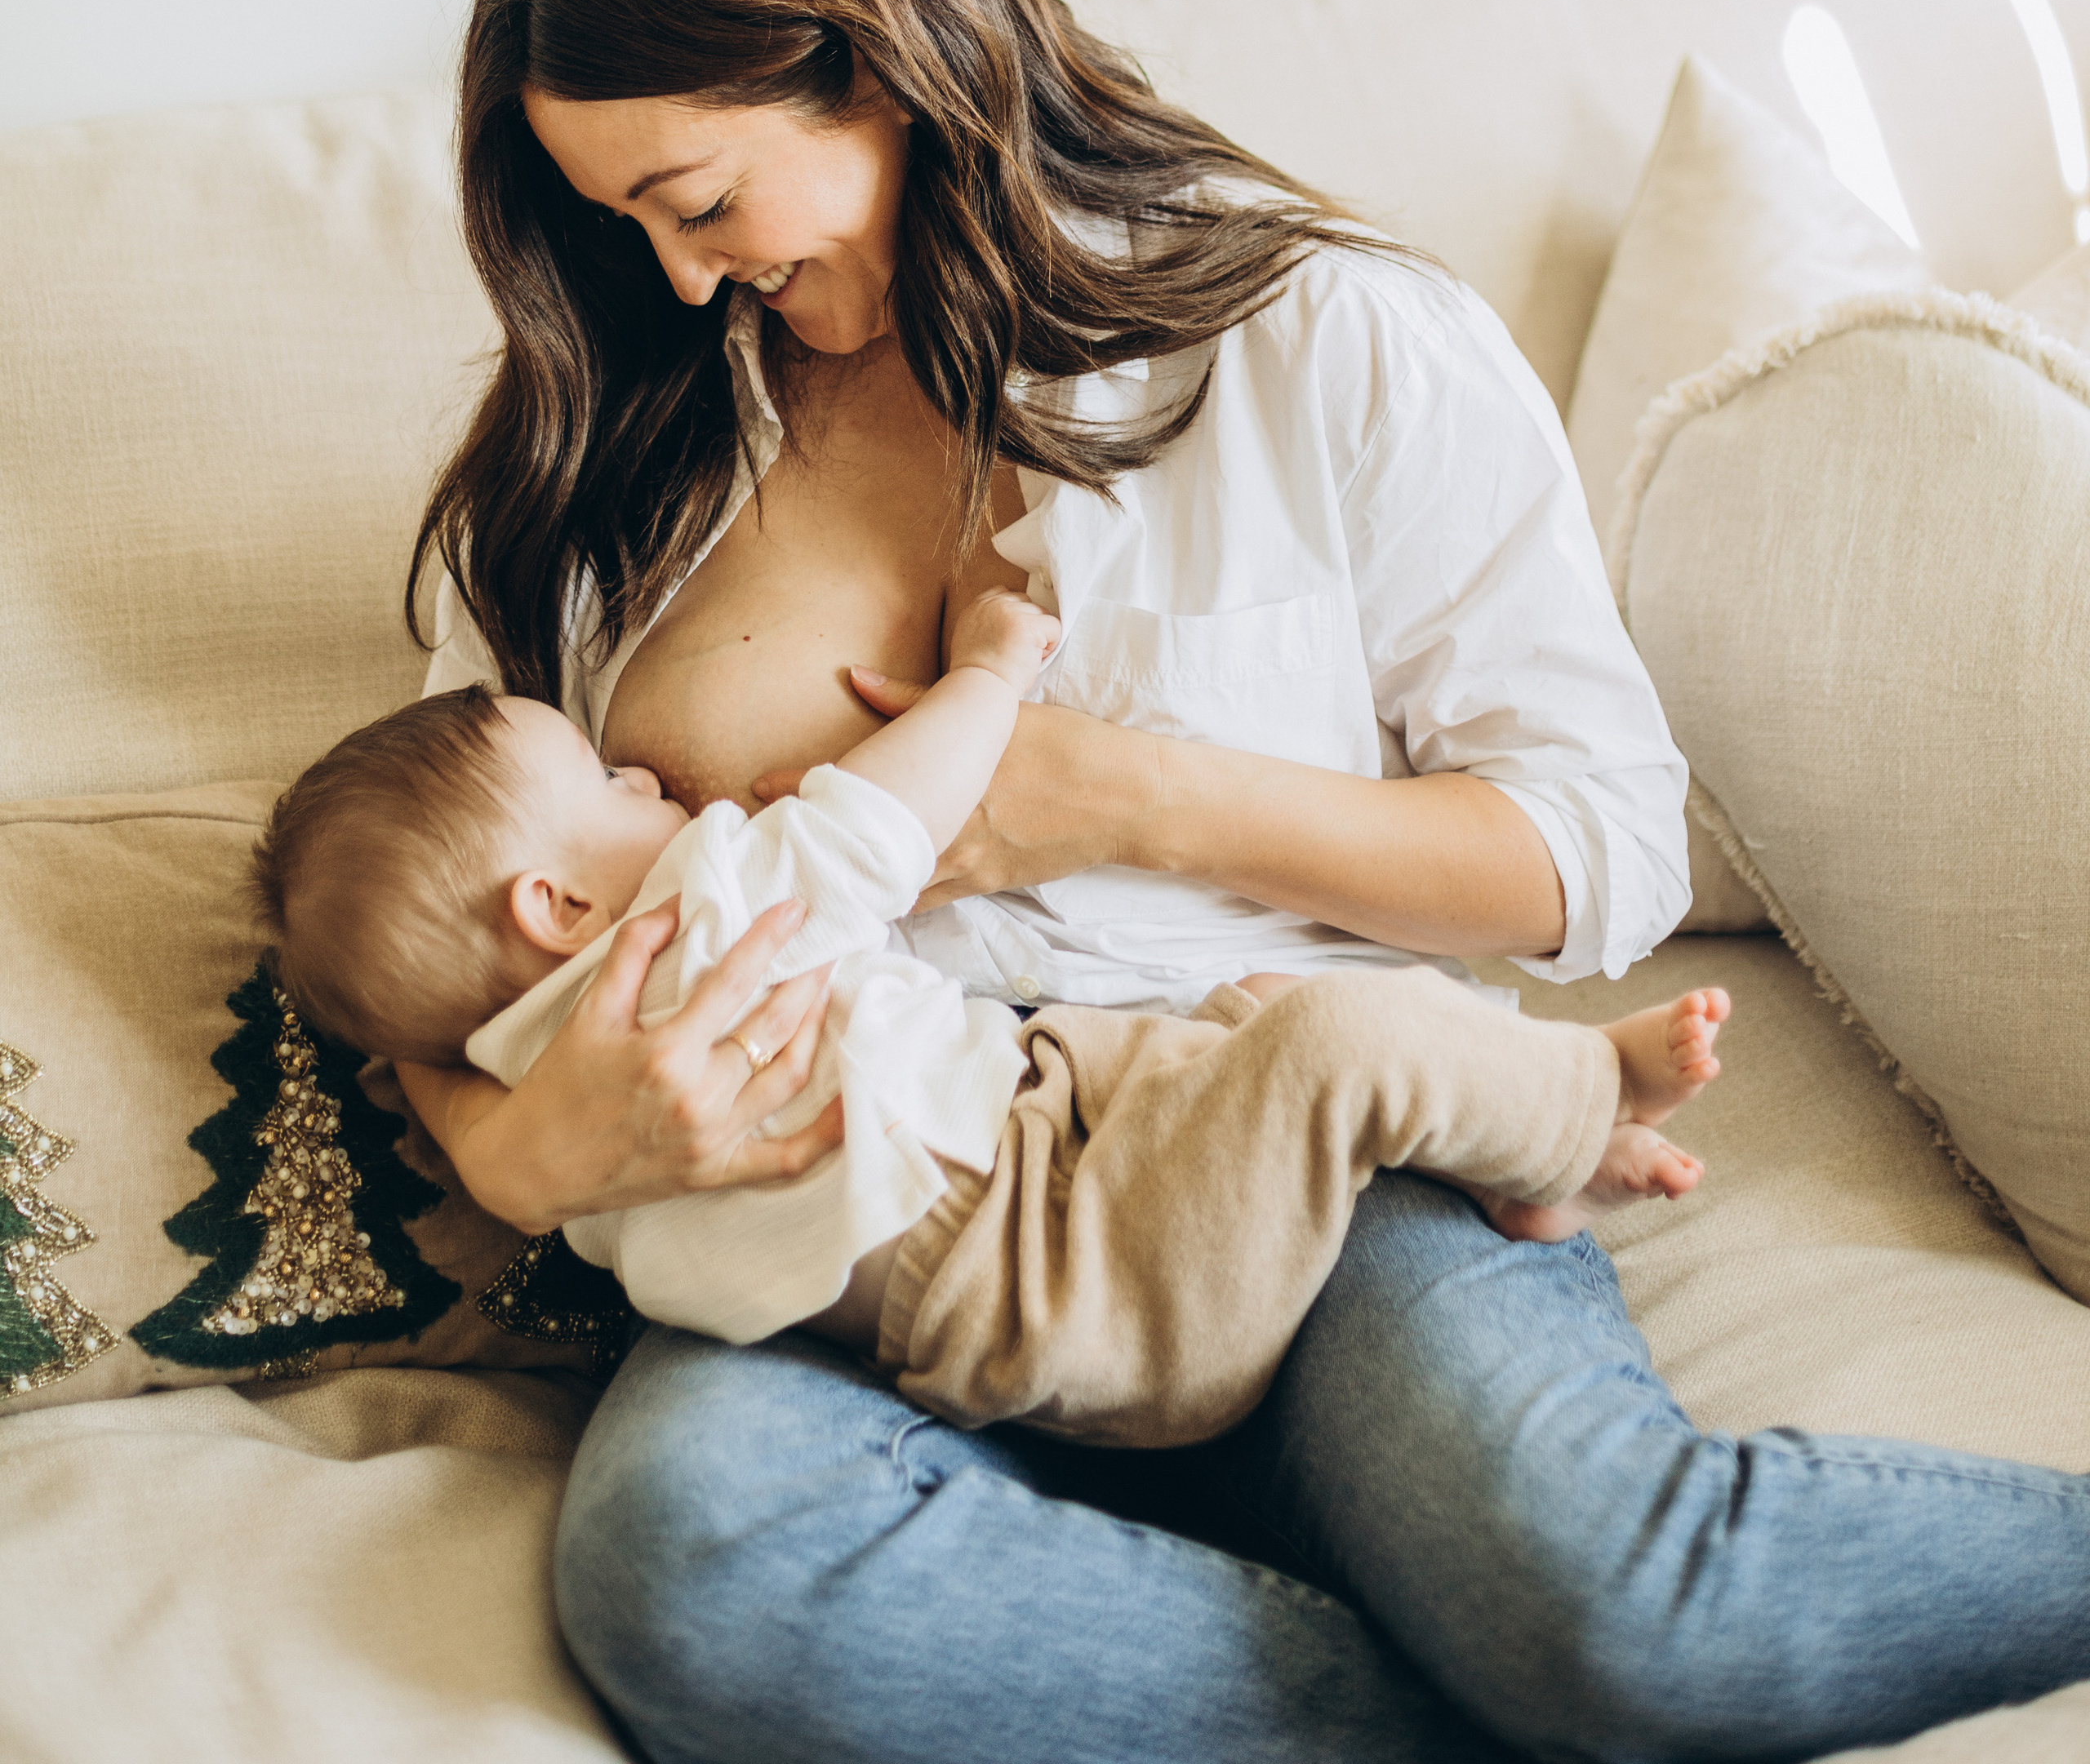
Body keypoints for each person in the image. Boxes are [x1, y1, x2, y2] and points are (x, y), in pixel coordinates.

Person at [397, 0, 2090, 1764]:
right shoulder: (597, 469)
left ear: (877, 62)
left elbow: (1597, 850)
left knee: (1621, 1611)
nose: (675, 277)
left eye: (697, 202)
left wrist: (1116, 798)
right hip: (850, 1221)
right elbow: (428, 919)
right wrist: (513, 1149)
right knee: (693, 1570)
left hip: (1304, 1121)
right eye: (621, 227)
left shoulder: (1317, 340)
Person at [254, 593, 1725, 1447]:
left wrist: (511, 1158)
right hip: (1054, 1265)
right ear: (556, 910)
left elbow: (408, 1033)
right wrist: (988, 675)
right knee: (1333, 1039)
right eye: (612, 784)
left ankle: (1474, 1149)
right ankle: (1577, 1104)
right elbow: (876, 826)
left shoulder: (521, 1053)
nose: (651, 788)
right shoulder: (703, 911)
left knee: (1256, 1020)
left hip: (970, 1273)